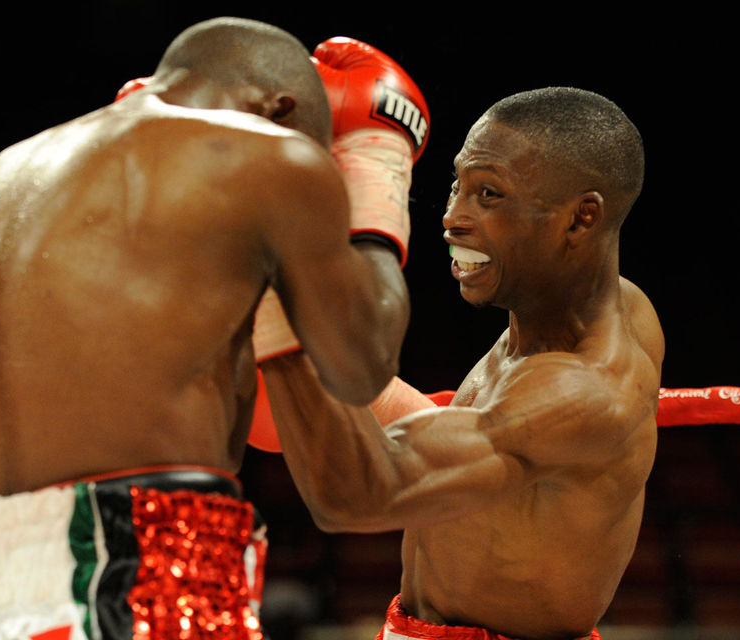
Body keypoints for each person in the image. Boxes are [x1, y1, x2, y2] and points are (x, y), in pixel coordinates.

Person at [0, 17, 429, 640]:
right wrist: (372, 163)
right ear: (276, 109)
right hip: (144, 563)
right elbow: (362, 362)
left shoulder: (10, 170)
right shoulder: (265, 153)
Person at [258, 87, 664, 640]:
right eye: (459, 184)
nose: (452, 216)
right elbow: (463, 443)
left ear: (580, 219)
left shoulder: (586, 391)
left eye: (490, 194)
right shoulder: (589, 308)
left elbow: (354, 498)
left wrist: (278, 327)